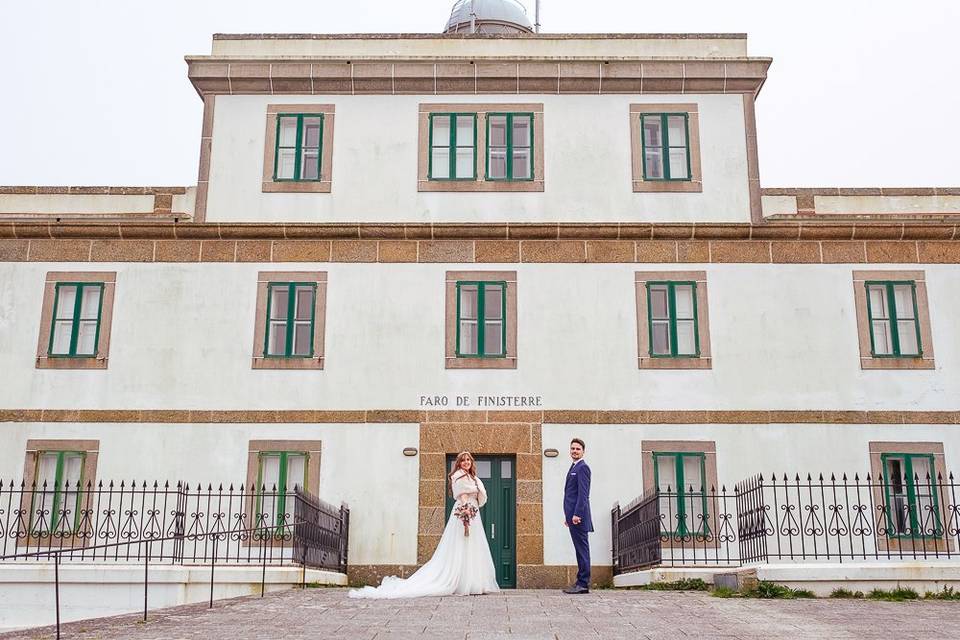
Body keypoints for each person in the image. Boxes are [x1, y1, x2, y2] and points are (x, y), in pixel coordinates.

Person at [349, 451, 499, 598]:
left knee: (472, 545)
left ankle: (473, 582)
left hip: (473, 512)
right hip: (464, 511)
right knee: (461, 544)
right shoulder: (458, 476)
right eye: (463, 460)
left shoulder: (474, 478)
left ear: (472, 462)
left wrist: (472, 508)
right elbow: (463, 495)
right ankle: (461, 583)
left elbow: (479, 496)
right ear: (459, 463)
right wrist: (466, 510)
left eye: (468, 460)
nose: (466, 462)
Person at [562, 437, 593, 594]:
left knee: (582, 549)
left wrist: (576, 514)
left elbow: (583, 494)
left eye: (578, 449)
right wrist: (568, 517)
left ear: (583, 451)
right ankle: (580, 582)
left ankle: (583, 583)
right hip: (573, 518)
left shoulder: (583, 468)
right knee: (579, 549)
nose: (574, 451)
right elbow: (571, 494)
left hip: (578, 517)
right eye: (572, 448)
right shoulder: (574, 467)